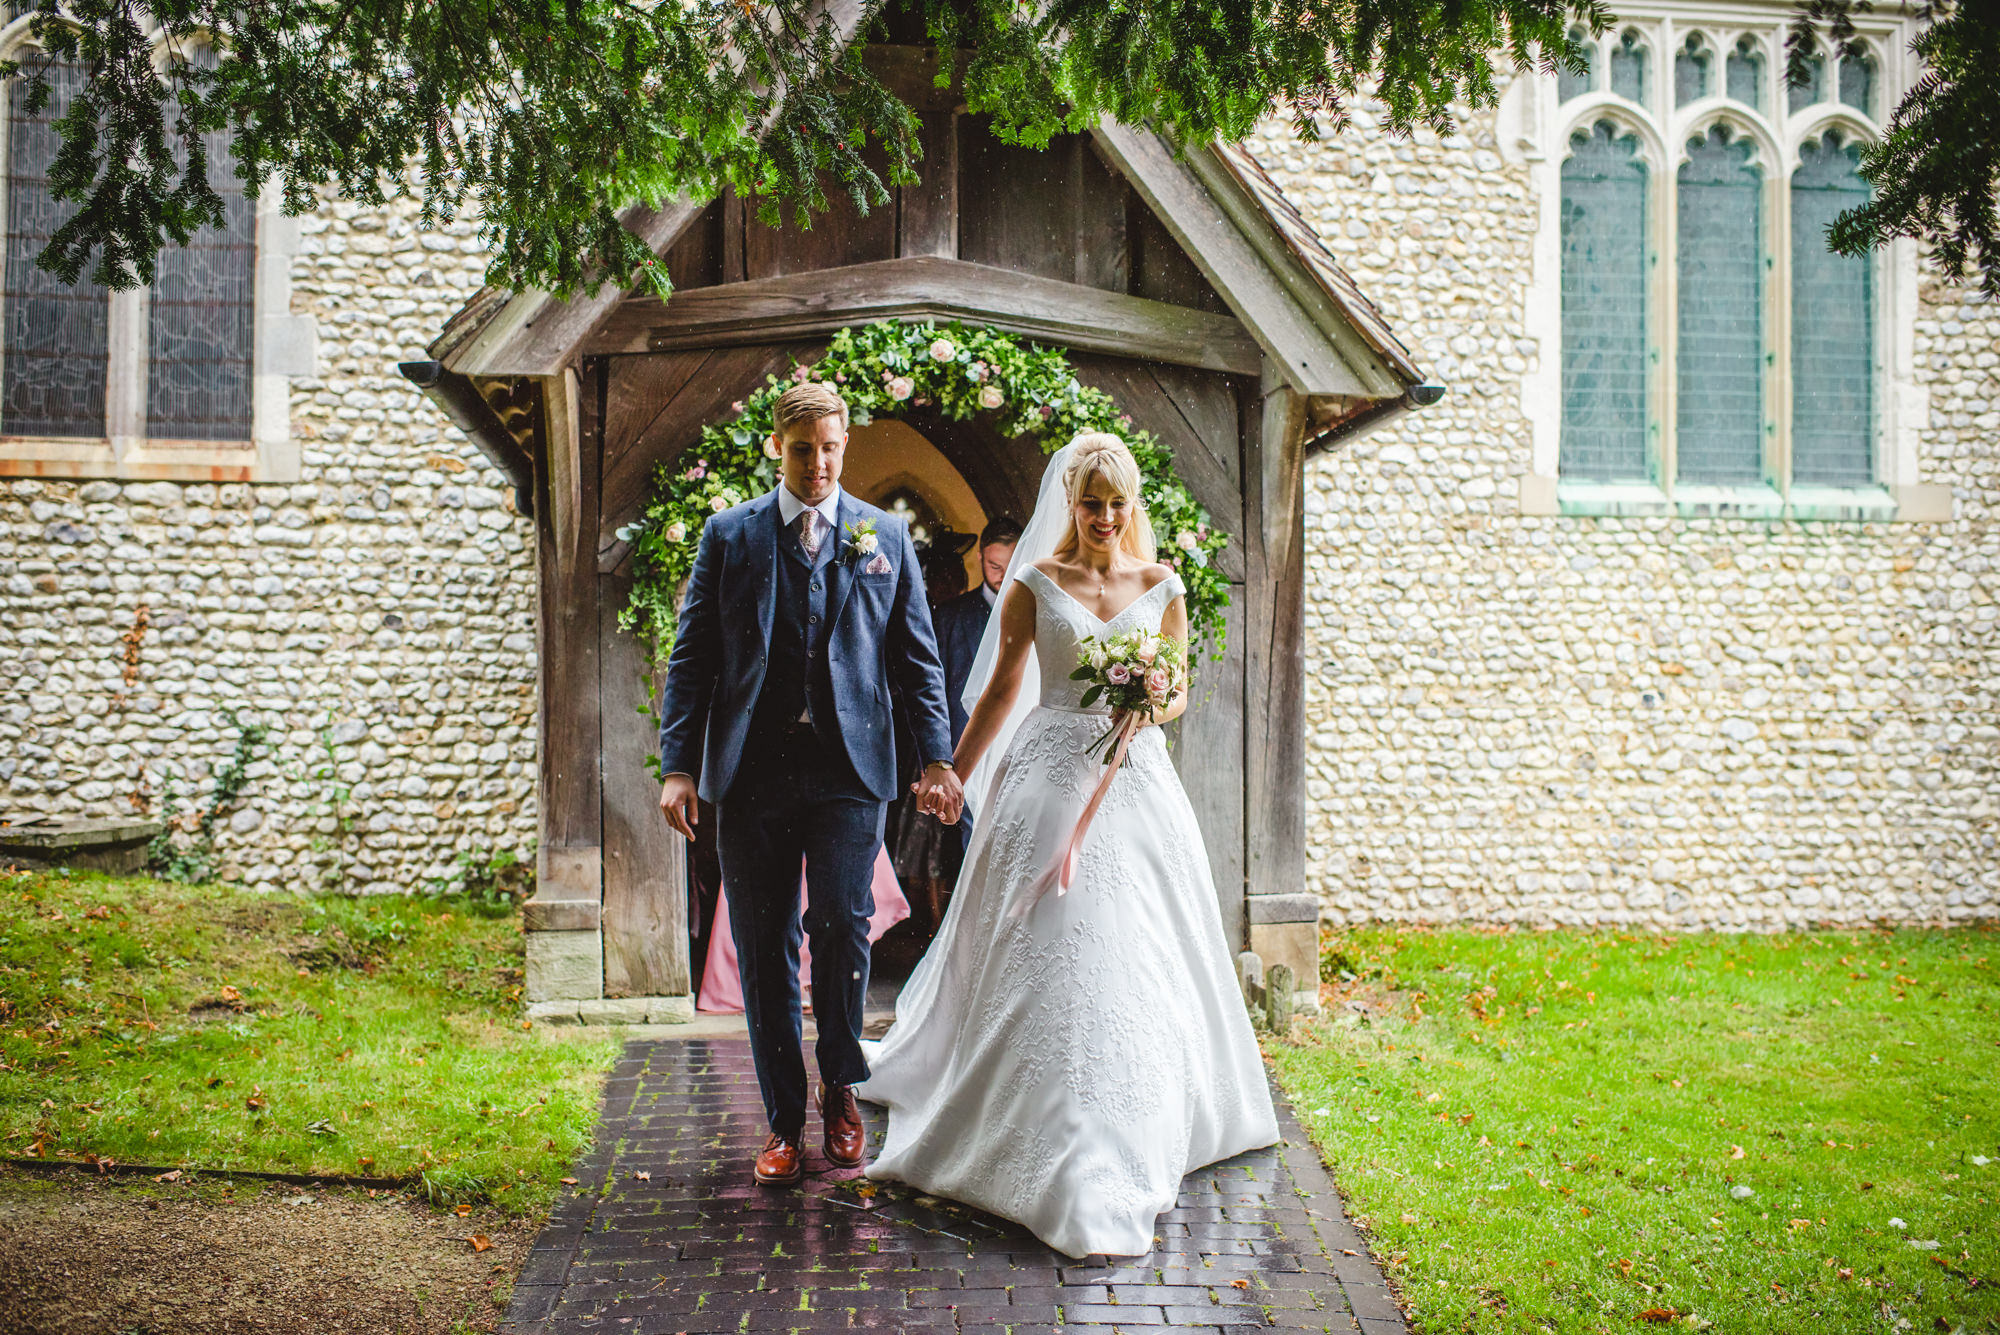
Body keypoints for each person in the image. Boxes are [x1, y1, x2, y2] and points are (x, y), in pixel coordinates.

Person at [856, 434, 1277, 1258]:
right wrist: (952, 768)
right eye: (1091, 503)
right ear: (1072, 504)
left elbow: (1181, 685)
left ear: (1132, 507)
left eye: (1117, 504)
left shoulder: (1163, 586)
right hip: (1049, 775)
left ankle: (1141, 1114)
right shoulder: (1036, 586)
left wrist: (1146, 705)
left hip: (1136, 779)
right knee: (1050, 934)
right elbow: (1006, 685)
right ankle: (1033, 1118)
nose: (1105, 518)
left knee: (1142, 943)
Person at [655, 381, 963, 1188]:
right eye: (803, 449)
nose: (819, 462)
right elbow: (694, 657)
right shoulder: (730, 536)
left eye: (831, 447)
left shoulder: (882, 532)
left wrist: (937, 758)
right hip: (751, 773)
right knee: (763, 949)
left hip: (849, 771)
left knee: (841, 925)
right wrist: (678, 765)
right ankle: (785, 1120)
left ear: (844, 444)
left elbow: (917, 658)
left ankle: (842, 1087)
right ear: (776, 448)